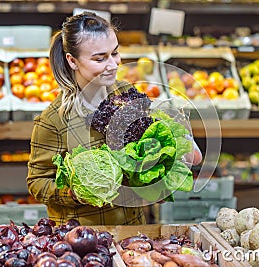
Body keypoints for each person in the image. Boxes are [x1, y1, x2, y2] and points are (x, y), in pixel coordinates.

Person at [27, 12, 202, 226]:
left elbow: (143, 149)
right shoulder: (53, 120)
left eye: (115, 53)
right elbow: (37, 182)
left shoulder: (126, 92)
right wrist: (74, 194)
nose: (113, 65)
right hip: (83, 238)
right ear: (72, 61)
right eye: (100, 58)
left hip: (133, 230)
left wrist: (162, 169)